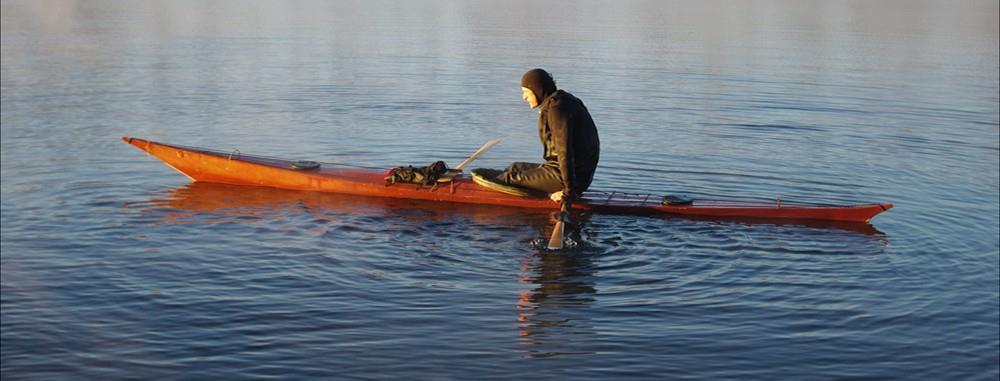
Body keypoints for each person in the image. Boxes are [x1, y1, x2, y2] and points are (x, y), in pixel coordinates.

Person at [492, 68, 600, 206]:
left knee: (508, 178)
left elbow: (564, 152)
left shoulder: (557, 110)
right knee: (513, 168)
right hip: (568, 172)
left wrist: (569, 191)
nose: (523, 98)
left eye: (526, 92)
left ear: (537, 90)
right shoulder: (561, 101)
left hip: (571, 177)